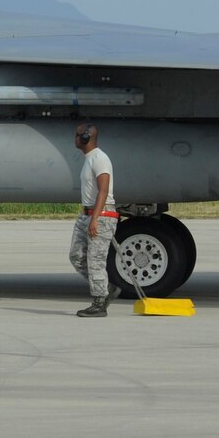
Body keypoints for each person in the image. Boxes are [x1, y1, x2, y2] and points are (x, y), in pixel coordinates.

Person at [70, 122, 118, 316]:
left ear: (85, 138)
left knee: (95, 260)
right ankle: (107, 288)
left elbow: (104, 191)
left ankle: (99, 303)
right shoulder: (88, 159)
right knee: (76, 257)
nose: (74, 138)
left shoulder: (100, 159)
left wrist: (95, 219)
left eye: (77, 135)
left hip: (102, 215)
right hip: (87, 214)